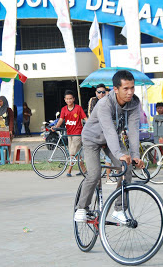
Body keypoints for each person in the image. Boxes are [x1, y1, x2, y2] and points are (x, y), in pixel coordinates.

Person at [74, 70, 145, 223]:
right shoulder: (104, 104)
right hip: (92, 138)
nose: (130, 92)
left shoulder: (133, 103)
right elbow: (109, 130)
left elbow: (133, 130)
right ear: (115, 89)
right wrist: (119, 153)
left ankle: (119, 209)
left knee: (126, 168)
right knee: (94, 173)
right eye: (125, 89)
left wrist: (135, 156)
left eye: (132, 88)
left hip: (110, 140)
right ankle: (82, 208)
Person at [53, 90, 87, 177]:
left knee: (72, 153)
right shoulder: (64, 109)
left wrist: (91, 126)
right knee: (76, 154)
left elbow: (85, 118)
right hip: (69, 133)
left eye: (70, 99)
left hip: (77, 133)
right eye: (67, 99)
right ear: (65, 99)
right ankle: (84, 170)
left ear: (74, 99)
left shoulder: (78, 108)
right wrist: (56, 126)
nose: (69, 101)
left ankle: (69, 171)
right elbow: (61, 119)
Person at [87, 84, 114, 184]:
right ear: (96, 93)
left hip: (106, 132)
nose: (101, 94)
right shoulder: (93, 101)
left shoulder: (109, 101)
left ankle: (108, 177)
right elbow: (91, 116)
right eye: (99, 92)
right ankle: (96, 179)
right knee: (95, 159)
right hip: (94, 133)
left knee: (110, 155)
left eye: (103, 92)